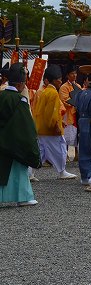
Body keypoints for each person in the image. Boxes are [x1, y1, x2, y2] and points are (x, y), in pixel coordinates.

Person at [0, 63, 41, 206]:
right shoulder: (20, 100)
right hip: (14, 142)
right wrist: (31, 142)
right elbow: (25, 125)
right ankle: (23, 198)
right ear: (20, 83)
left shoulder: (1, 95)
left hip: (1, 141)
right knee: (19, 171)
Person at [32, 64, 76, 180]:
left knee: (41, 151)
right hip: (51, 129)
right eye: (59, 80)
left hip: (41, 127)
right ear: (54, 80)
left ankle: (30, 173)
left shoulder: (44, 92)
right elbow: (52, 112)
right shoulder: (52, 93)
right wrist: (56, 125)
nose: (60, 82)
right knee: (60, 150)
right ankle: (62, 171)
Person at [58, 64, 81, 163]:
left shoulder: (78, 86)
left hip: (76, 114)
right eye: (72, 74)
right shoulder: (64, 87)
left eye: (75, 74)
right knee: (66, 135)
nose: (74, 75)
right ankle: (65, 154)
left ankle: (77, 154)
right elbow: (64, 100)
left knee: (77, 135)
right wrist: (75, 102)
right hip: (67, 114)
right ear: (67, 75)